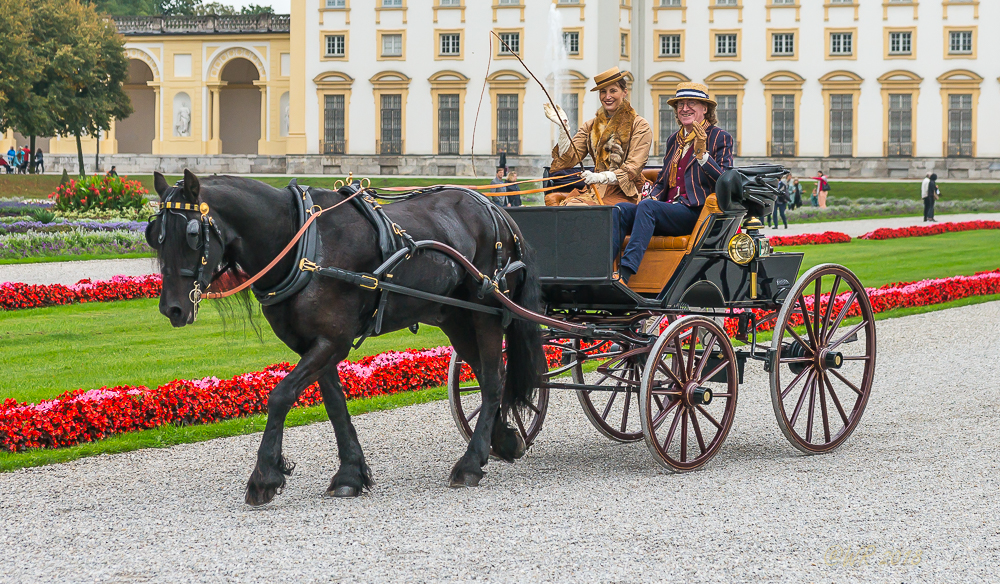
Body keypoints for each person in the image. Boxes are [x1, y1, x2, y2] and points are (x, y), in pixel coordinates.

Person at [613, 81, 734, 284]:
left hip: (694, 213)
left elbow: (726, 182)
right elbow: (662, 182)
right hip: (667, 211)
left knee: (649, 208)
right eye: (680, 104)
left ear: (705, 108)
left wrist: (703, 156)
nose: (684, 108)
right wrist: (651, 196)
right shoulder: (674, 140)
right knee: (619, 210)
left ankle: (624, 274)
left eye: (691, 103)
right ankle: (606, 270)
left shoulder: (719, 137)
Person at [545, 67, 652, 207]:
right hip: (596, 190)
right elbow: (569, 159)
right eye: (603, 92)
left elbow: (632, 168)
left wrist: (601, 177)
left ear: (624, 92)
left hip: (626, 191)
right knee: (568, 208)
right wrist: (564, 129)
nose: (607, 96)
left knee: (580, 209)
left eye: (613, 91)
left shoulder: (640, 125)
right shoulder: (590, 126)